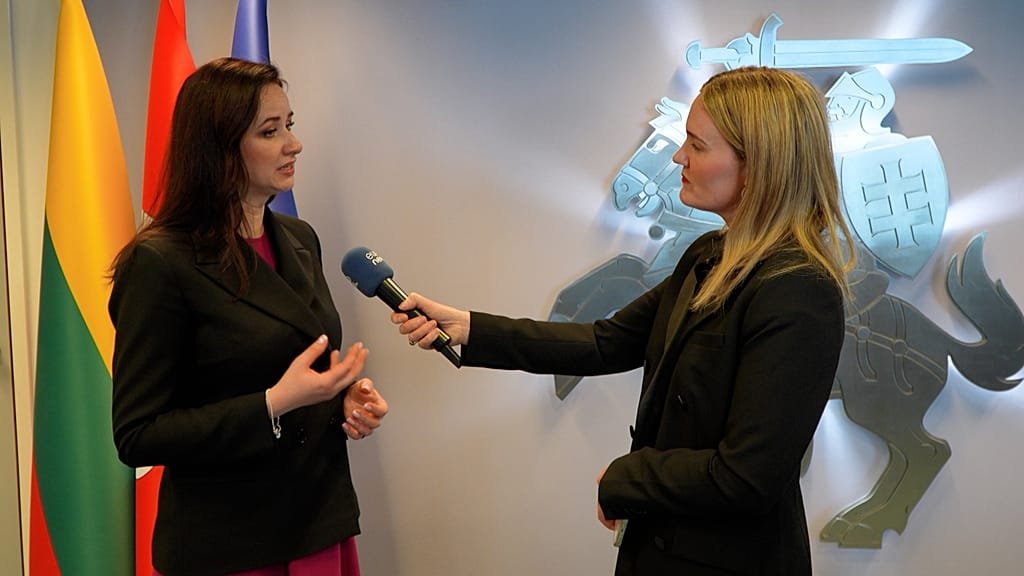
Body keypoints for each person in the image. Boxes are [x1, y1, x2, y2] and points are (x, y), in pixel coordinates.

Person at [392, 67, 855, 576]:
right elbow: (604, 342)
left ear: (758, 166)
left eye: (697, 146)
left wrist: (625, 478)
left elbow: (747, 476)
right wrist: (470, 328)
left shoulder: (799, 289)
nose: (678, 158)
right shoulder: (709, 255)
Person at [109, 57, 388, 576]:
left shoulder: (301, 240)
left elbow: (301, 363)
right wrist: (274, 403)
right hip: (232, 546)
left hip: (318, 522)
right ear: (219, 148)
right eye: (270, 131)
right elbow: (138, 434)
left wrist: (344, 396)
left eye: (290, 125)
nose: (293, 144)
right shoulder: (160, 263)